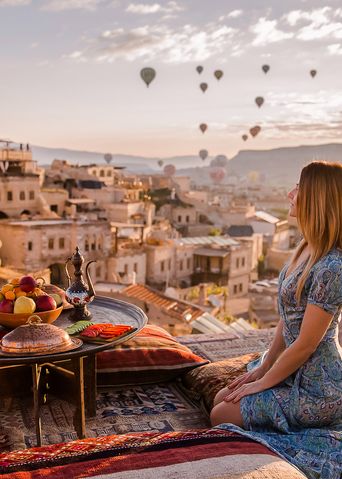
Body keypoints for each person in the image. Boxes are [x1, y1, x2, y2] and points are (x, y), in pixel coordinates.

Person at [210, 161, 342, 479]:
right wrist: (265, 367)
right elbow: (286, 319)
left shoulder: (332, 267)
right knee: (220, 399)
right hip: (291, 369)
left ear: (317, 199)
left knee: (221, 413)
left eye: (299, 187)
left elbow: (306, 345)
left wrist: (261, 382)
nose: (290, 194)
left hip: (317, 387)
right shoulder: (304, 249)